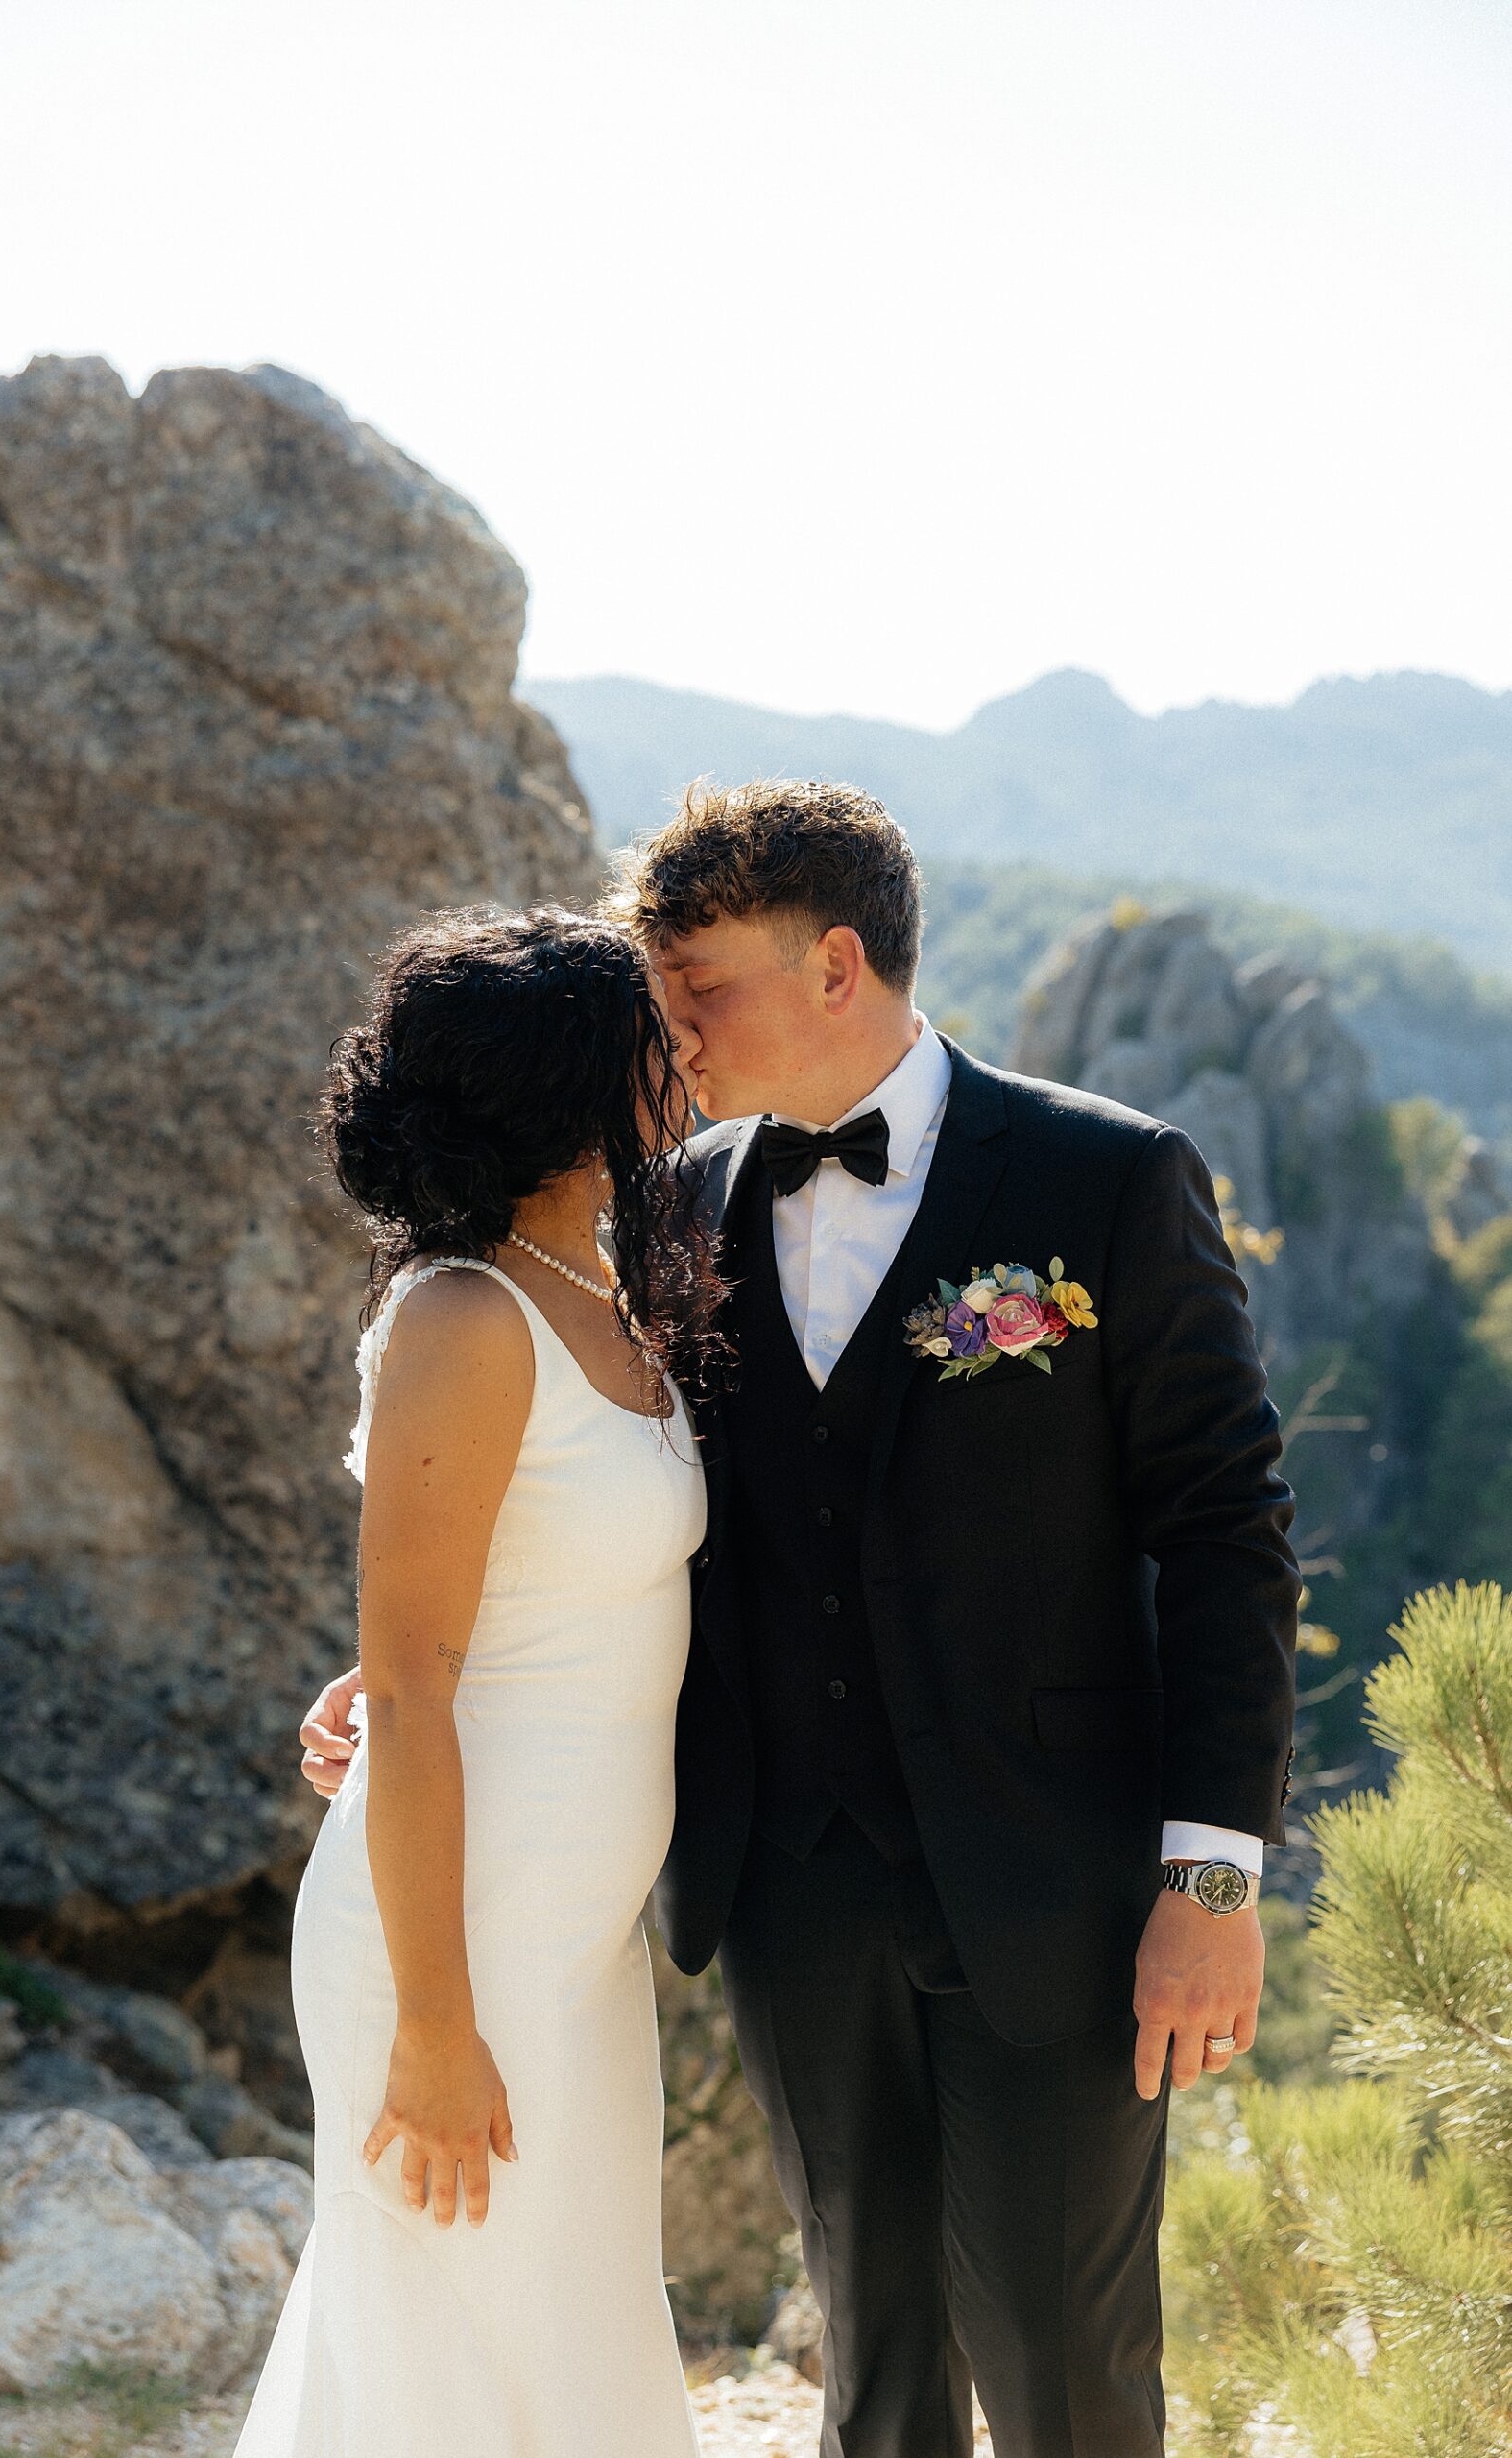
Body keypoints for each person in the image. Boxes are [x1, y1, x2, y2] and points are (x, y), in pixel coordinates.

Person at [301, 783, 1299, 2458]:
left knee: (1069, 2375)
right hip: (789, 1894)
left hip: (1052, 1881)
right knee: (875, 2372)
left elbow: (1224, 1534)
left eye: (697, 991)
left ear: (837, 964)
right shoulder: (661, 1210)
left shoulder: (1108, 1181)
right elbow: (586, 1495)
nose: (671, 1035)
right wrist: (410, 1678)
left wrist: (1212, 1878)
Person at [236, 906, 723, 2458]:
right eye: (660, 1029)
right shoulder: (464, 1312)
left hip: (568, 1938)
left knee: (565, 2331)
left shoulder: (603, 1284)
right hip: (451, 1945)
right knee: (447, 2352)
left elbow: (503, 1594)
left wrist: (387, 1671)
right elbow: (421, 1684)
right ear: (577, 1081)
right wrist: (435, 2029)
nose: (690, 1047)